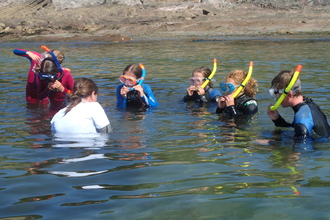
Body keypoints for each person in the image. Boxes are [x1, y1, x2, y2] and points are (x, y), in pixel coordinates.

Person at [267, 70, 330, 139]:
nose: (276, 98)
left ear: (289, 94)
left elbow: (302, 146)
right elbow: (296, 130)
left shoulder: (302, 116)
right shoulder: (309, 106)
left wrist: (272, 143)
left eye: (275, 94)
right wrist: (277, 119)